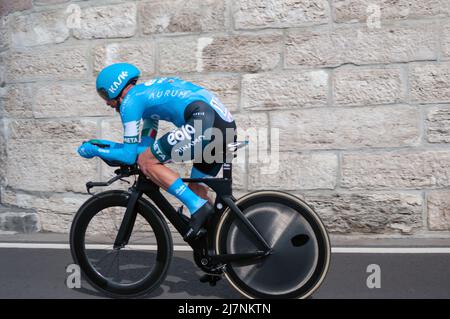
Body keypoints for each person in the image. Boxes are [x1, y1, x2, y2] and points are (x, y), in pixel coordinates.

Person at [77, 63, 236, 240]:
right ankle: (224, 239)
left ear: (114, 87)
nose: (107, 102)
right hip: (222, 126)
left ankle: (197, 207)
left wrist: (94, 149)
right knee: (196, 188)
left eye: (104, 94)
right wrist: (102, 145)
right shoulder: (144, 98)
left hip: (205, 123)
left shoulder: (130, 102)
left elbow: (130, 156)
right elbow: (145, 147)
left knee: (147, 162)